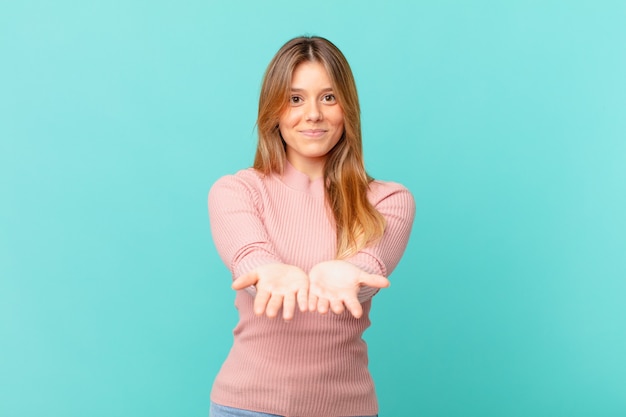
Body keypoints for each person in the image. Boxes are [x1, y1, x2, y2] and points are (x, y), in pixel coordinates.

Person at [207, 36, 415, 417]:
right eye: (296, 98)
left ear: (347, 108)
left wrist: (352, 272)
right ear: (274, 110)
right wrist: (266, 273)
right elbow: (249, 255)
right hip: (247, 407)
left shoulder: (387, 200)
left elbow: (370, 266)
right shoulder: (236, 190)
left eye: (329, 98)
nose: (313, 114)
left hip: (345, 408)